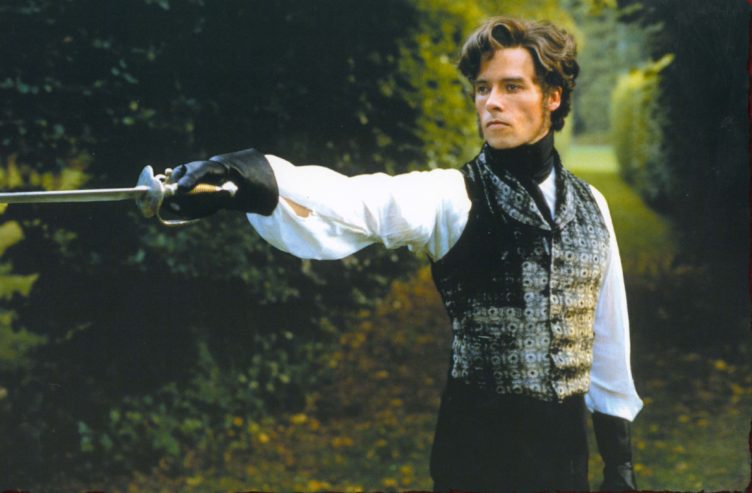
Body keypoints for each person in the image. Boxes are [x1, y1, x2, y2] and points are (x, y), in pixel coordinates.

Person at [167, 16, 643, 492]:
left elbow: (608, 335)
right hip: (474, 459)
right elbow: (359, 201)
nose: (492, 102)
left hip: (564, 462)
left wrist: (619, 462)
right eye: (482, 88)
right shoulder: (452, 195)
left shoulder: (593, 207)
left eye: (512, 87)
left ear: (552, 97)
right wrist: (244, 176)